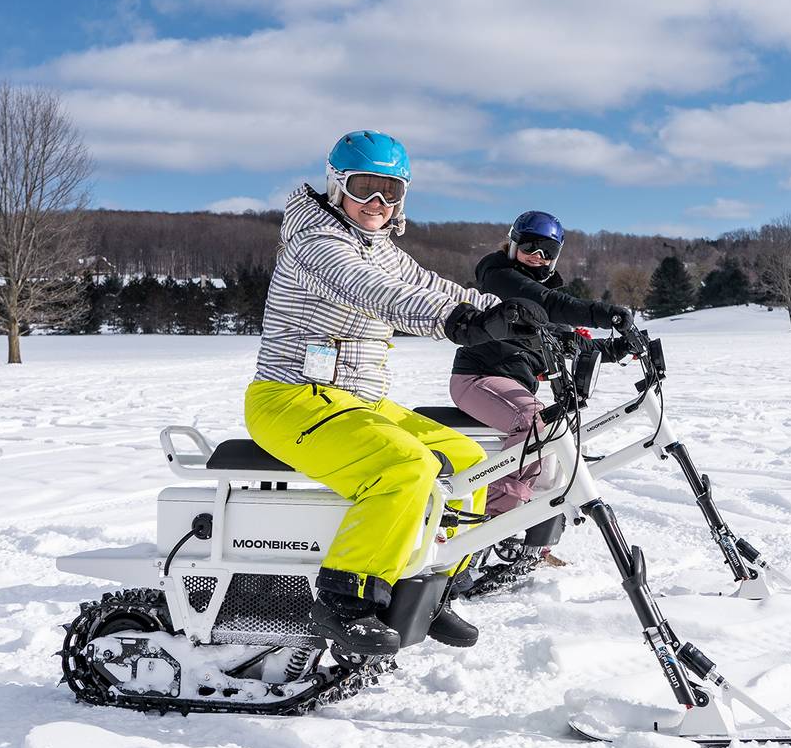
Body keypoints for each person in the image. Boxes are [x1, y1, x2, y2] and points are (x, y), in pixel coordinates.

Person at [244, 131, 546, 656]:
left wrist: (533, 321)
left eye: (392, 191)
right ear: (336, 186)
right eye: (365, 188)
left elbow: (435, 288)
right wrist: (459, 322)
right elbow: (377, 294)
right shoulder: (316, 241)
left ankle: (432, 586)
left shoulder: (380, 249)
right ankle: (344, 597)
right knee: (406, 467)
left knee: (470, 461)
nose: (378, 203)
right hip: (290, 398)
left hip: (357, 401)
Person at [450, 210, 632, 518]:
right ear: (512, 245)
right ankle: (496, 519)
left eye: (547, 251)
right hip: (477, 379)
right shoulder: (499, 277)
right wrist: (605, 314)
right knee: (531, 420)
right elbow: (549, 304)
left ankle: (537, 526)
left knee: (557, 436)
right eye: (529, 246)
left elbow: (567, 340)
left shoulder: (537, 300)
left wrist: (615, 348)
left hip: (511, 386)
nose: (537, 256)